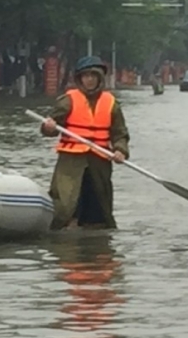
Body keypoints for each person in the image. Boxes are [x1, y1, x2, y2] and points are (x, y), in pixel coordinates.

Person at [40, 56, 130, 230]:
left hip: (99, 162)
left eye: (93, 76)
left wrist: (120, 150)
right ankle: (64, 232)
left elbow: (120, 134)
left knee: (100, 207)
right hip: (71, 163)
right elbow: (49, 127)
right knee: (67, 203)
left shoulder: (112, 104)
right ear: (80, 78)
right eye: (86, 76)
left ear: (99, 78)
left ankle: (96, 239)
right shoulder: (67, 101)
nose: (89, 80)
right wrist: (49, 128)